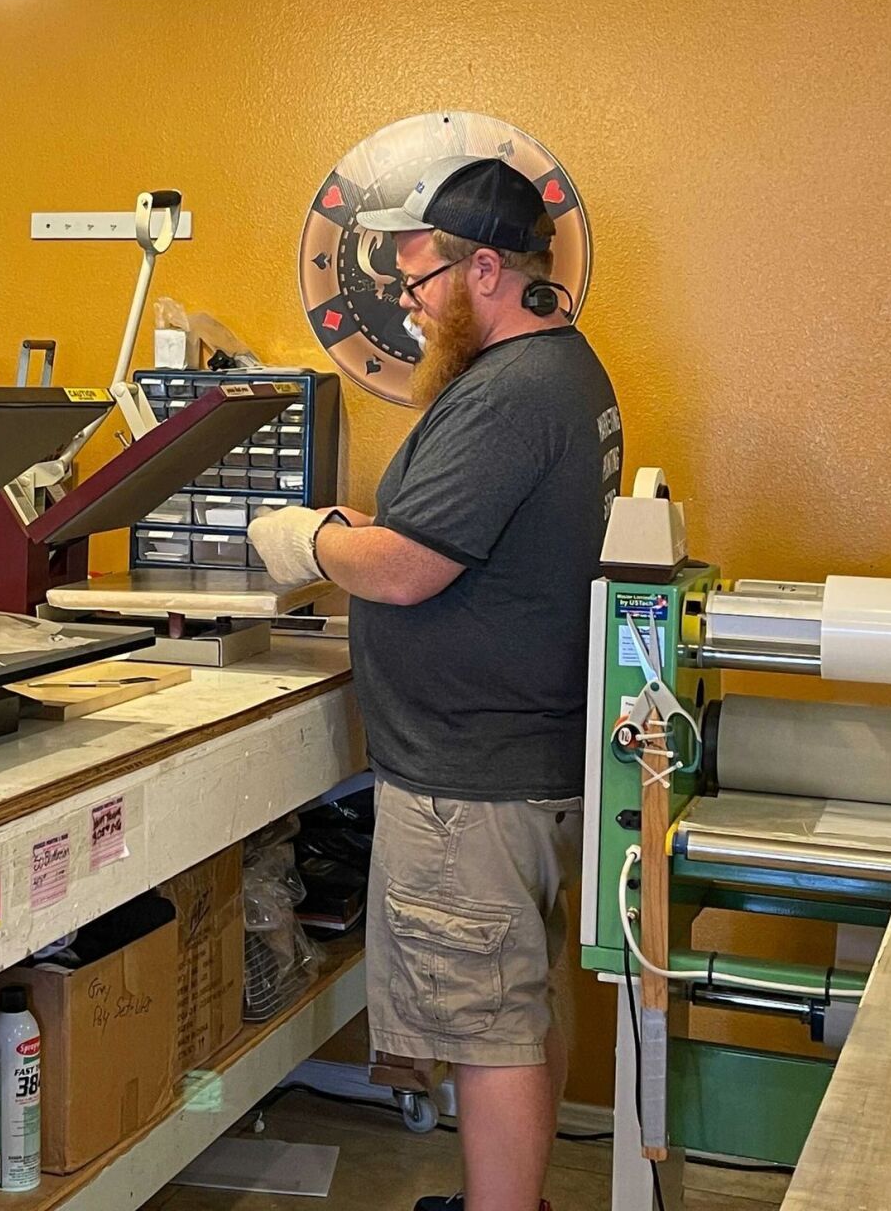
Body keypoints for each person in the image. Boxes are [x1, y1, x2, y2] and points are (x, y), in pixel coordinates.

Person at [249, 157, 623, 1211]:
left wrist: (310, 540)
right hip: (520, 756)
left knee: (484, 1023)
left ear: (488, 271)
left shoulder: (509, 391)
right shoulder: (564, 369)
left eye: (421, 284)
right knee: (519, 1002)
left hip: (471, 780)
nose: (412, 308)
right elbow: (457, 538)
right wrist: (370, 535)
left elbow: (412, 569)